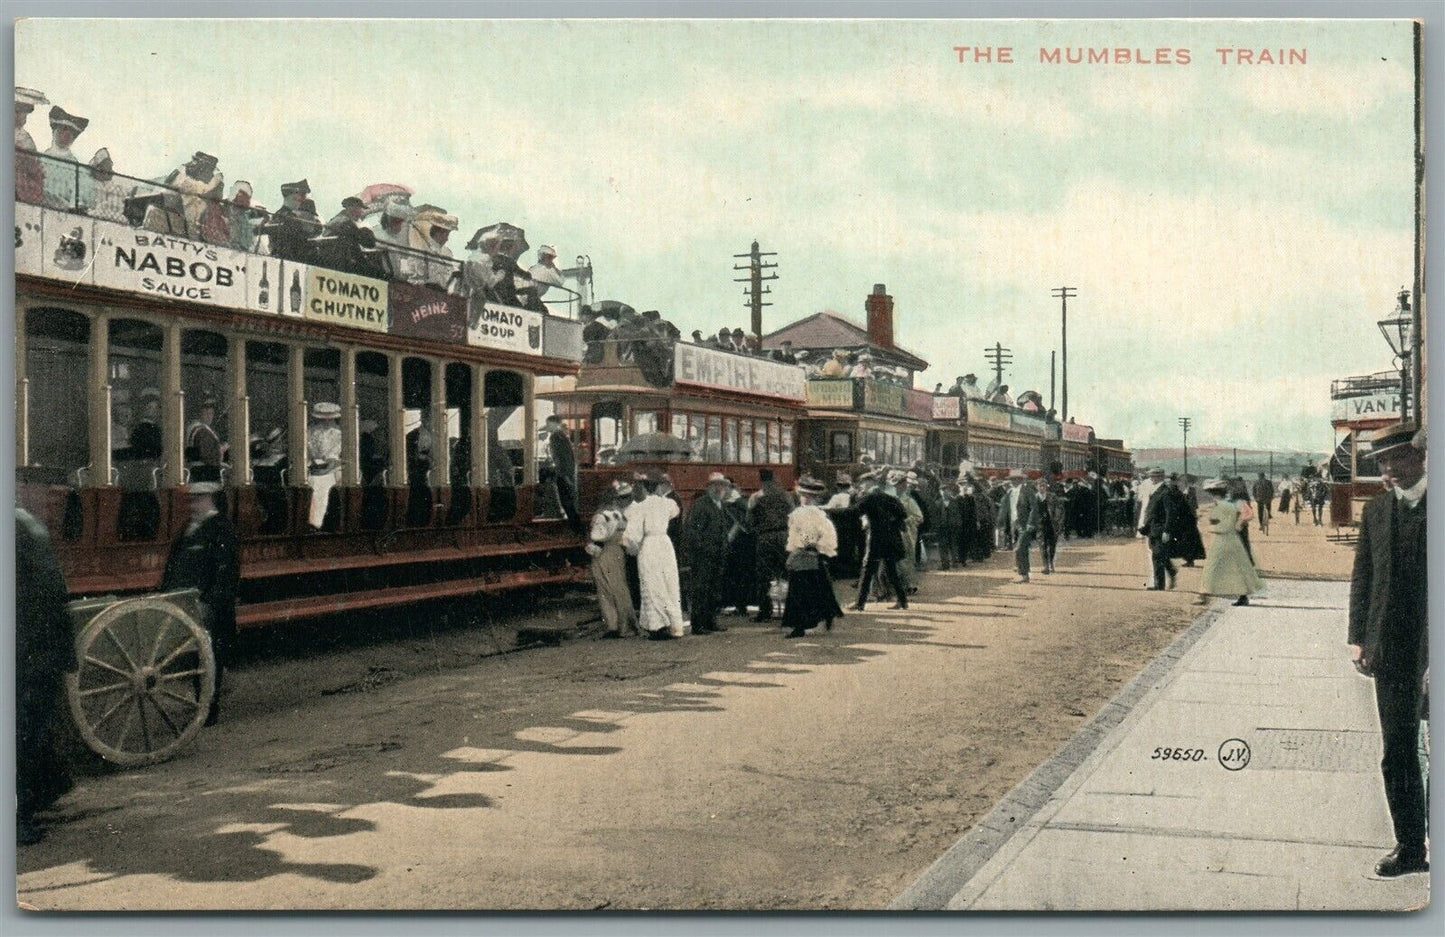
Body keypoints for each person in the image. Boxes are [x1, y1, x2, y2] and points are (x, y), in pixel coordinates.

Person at [1348, 423, 1429, 878]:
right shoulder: (1377, 512)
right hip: (1391, 651)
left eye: (1397, 458)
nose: (1389, 469)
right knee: (1397, 750)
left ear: (1419, 457)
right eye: (1381, 462)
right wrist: (1359, 637)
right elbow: (1364, 578)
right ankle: (1410, 848)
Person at [16, 508, 78, 846]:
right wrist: (63, 654)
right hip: (30, 655)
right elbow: (51, 594)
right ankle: (19, 817)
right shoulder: (26, 526)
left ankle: (45, 792)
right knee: (26, 734)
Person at [160, 481, 240, 726]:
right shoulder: (190, 527)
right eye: (192, 499)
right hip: (185, 601)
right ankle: (201, 704)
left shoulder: (221, 527)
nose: (193, 504)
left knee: (209, 657)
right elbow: (174, 565)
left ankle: (209, 708)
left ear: (210, 501)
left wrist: (211, 602)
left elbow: (226, 570)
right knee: (197, 657)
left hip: (208, 604)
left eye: (198, 499)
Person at [622, 474, 687, 640]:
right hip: (665, 544)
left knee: (652, 583)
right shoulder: (668, 504)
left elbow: (632, 534)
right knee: (669, 583)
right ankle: (673, 624)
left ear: (644, 488)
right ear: (658, 487)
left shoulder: (639, 506)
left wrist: (631, 547)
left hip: (649, 545)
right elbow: (675, 512)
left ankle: (657, 625)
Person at [781, 477, 843, 638]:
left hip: (804, 554)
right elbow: (828, 536)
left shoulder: (802, 513)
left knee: (799, 592)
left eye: (803, 495)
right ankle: (826, 614)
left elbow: (805, 536)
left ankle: (799, 627)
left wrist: (799, 550)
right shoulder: (821, 514)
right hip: (817, 555)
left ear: (806, 496)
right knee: (819, 588)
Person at [1191, 478, 1263, 607]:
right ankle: (1205, 594)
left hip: (1230, 539)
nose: (1213, 495)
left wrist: (1237, 525)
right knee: (1220, 567)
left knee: (1216, 567)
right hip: (1222, 539)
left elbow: (1248, 514)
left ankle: (1204, 595)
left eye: (1214, 493)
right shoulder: (1221, 503)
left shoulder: (1235, 501)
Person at [848, 475, 910, 612]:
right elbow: (903, 515)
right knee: (892, 571)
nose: (862, 487)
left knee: (867, 571)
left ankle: (859, 603)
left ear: (869, 484)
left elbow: (853, 512)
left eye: (863, 484)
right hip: (891, 540)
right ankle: (902, 601)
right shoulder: (890, 498)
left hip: (875, 540)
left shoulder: (868, 498)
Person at [682, 472, 734, 635]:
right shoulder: (701, 505)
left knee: (714, 590)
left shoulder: (719, 505)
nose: (720, 489)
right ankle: (698, 624)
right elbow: (693, 532)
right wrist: (702, 549)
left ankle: (710, 621)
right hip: (703, 556)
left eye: (722, 485)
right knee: (701, 590)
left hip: (717, 555)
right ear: (709, 487)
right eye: (716, 485)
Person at [588, 480, 639, 639]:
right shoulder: (620, 514)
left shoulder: (602, 516)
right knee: (620, 587)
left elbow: (598, 537)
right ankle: (628, 624)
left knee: (605, 588)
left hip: (604, 552)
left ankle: (613, 625)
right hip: (618, 551)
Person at [749, 468, 796, 622]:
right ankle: (790, 609)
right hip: (784, 536)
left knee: (763, 576)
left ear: (761, 481)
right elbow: (793, 515)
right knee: (786, 573)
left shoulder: (756, 497)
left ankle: (765, 611)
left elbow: (749, 520)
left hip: (765, 538)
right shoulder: (786, 496)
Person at [318, 196, 384, 276]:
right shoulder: (345, 222)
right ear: (353, 209)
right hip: (339, 260)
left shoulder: (337, 219)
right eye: (360, 209)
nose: (361, 212)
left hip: (331, 258)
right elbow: (365, 243)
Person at [996, 469, 1041, 583]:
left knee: (1019, 548)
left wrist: (1031, 523)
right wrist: (1000, 524)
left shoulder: (1028, 491)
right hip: (1013, 524)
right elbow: (1004, 509)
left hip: (1025, 525)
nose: (1013, 482)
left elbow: (1034, 508)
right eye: (1011, 480)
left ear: (1020, 480)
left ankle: (1023, 573)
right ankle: (1025, 574)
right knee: (1022, 549)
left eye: (1015, 479)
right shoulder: (1010, 492)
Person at [1139, 468, 1181, 590]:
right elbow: (1151, 511)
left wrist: (1167, 530)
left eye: (1154, 477)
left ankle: (1159, 584)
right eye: (1151, 476)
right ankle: (1171, 571)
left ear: (1160, 478)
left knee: (1157, 555)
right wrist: (1145, 526)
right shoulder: (1156, 490)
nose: (1151, 479)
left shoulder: (1165, 492)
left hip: (1160, 528)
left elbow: (1170, 513)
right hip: (1153, 527)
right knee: (1159, 554)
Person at [41, 105, 88, 210]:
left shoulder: (75, 165)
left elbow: (77, 193)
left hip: (63, 209)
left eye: (70, 134)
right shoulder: (43, 159)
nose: (65, 136)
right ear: (55, 132)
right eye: (62, 131)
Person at [307, 402, 343, 529]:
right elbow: (308, 450)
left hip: (332, 468)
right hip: (314, 467)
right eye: (323, 418)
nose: (326, 421)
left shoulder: (338, 433)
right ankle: (310, 520)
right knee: (309, 482)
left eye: (329, 417)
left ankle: (318, 522)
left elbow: (334, 456)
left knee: (323, 484)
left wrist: (326, 466)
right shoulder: (311, 431)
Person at [265, 179, 319, 264]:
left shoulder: (288, 215)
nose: (303, 199)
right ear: (291, 195)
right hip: (287, 261)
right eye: (301, 194)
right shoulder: (283, 215)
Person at [543, 414, 580, 530]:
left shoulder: (555, 437)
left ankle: (576, 529)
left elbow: (561, 458)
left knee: (567, 502)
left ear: (554, 424)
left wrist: (564, 475)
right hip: (567, 473)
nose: (547, 427)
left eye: (548, 424)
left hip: (563, 474)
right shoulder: (562, 435)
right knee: (569, 502)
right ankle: (575, 528)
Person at [77, 147, 132, 223]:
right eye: (102, 166)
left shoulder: (118, 187)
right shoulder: (87, 184)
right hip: (92, 219)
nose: (106, 170)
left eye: (109, 166)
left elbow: (119, 209)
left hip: (114, 221)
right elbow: (81, 206)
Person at [15, 87, 48, 204]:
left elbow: (33, 160)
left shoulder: (26, 137)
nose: (23, 117)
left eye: (24, 114)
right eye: (19, 112)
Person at [185, 394, 225, 483]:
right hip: (204, 476)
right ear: (199, 413)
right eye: (206, 413)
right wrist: (220, 450)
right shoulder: (201, 431)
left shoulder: (196, 428)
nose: (209, 416)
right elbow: (208, 455)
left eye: (211, 413)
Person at [1170, 473, 1207, 569]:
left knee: (1189, 538)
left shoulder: (1191, 490)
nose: (1181, 482)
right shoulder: (1184, 491)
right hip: (1185, 517)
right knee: (1185, 538)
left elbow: (1193, 504)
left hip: (1189, 518)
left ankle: (1190, 559)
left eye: (1182, 481)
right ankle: (1188, 558)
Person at [1038, 478, 1065, 574]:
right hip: (1040, 525)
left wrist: (1057, 520)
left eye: (1043, 486)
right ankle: (1046, 566)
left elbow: (1059, 509)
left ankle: (1051, 563)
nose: (1042, 488)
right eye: (1040, 486)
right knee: (1042, 545)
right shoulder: (1035, 497)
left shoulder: (1052, 496)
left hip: (1052, 524)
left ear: (1046, 487)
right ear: (1037, 487)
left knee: (1052, 545)